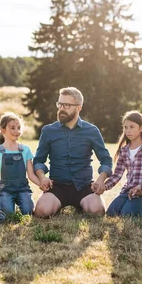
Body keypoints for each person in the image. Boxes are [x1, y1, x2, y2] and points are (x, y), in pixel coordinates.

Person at [33, 87, 113, 217]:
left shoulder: (92, 131)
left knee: (97, 211)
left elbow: (106, 159)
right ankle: (57, 204)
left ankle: (81, 204)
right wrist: (42, 178)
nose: (61, 108)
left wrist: (100, 179)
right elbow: (38, 160)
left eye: (67, 105)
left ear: (78, 107)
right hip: (57, 187)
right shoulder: (48, 131)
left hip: (84, 186)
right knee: (42, 212)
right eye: (60, 104)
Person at [97, 111, 142, 216]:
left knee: (126, 215)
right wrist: (104, 186)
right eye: (125, 127)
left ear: (141, 128)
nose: (128, 131)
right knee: (111, 213)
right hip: (127, 191)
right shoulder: (124, 150)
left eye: (132, 127)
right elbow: (117, 175)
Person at [0, 112, 41, 216]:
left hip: (22, 188)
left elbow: (31, 174)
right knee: (8, 214)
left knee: (28, 211)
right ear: (3, 130)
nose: (17, 131)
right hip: (6, 189)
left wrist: (41, 184)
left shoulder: (25, 150)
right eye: (12, 128)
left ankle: (4, 200)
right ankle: (1, 199)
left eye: (18, 128)